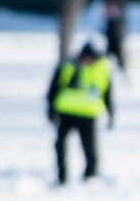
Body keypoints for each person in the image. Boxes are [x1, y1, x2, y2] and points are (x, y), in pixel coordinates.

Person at [46, 41, 114, 185]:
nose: (87, 61)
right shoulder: (68, 66)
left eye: (90, 59)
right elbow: (53, 89)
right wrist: (51, 110)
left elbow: (108, 93)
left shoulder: (102, 69)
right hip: (66, 112)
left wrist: (111, 114)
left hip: (88, 114)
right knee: (60, 145)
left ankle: (90, 175)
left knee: (89, 147)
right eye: (85, 58)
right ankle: (62, 176)